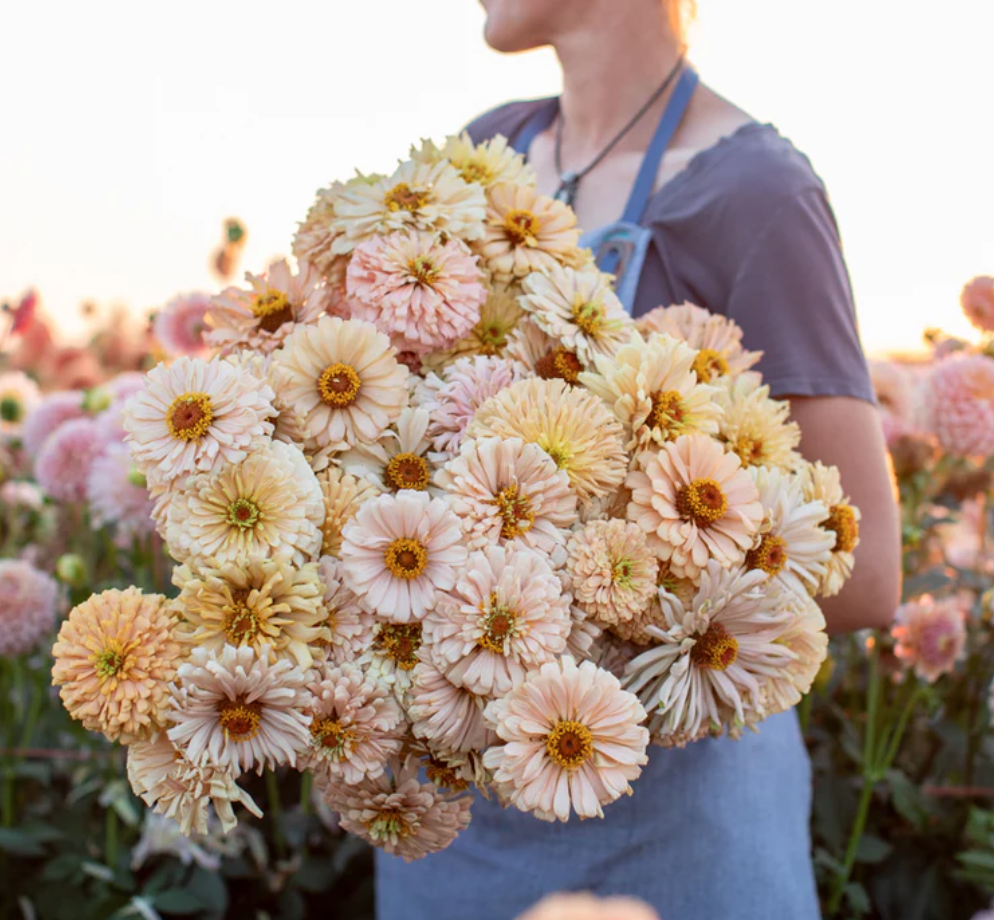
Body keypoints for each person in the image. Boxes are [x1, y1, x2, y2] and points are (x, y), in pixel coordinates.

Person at [376, 1, 902, 917]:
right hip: (460, 828)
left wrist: (599, 588)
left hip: (676, 832)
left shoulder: (758, 194)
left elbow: (868, 576)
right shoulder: (480, 162)